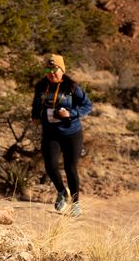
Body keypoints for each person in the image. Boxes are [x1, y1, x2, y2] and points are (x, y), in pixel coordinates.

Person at [31, 52, 93, 217]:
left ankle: (76, 204)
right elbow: (36, 104)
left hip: (71, 133)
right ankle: (61, 191)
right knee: (50, 166)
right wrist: (35, 116)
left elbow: (88, 105)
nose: (51, 73)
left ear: (62, 69)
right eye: (48, 69)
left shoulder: (72, 87)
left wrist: (71, 113)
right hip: (50, 133)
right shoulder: (41, 86)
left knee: (70, 168)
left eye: (55, 69)